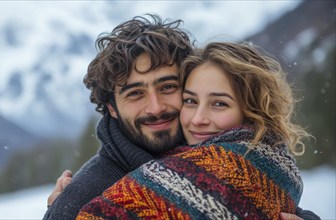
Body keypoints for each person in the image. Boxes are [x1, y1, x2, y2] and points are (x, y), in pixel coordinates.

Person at [44, 15, 319, 220]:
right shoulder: (85, 194)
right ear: (112, 107)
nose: (156, 107)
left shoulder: (231, 167)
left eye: (167, 88)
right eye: (135, 94)